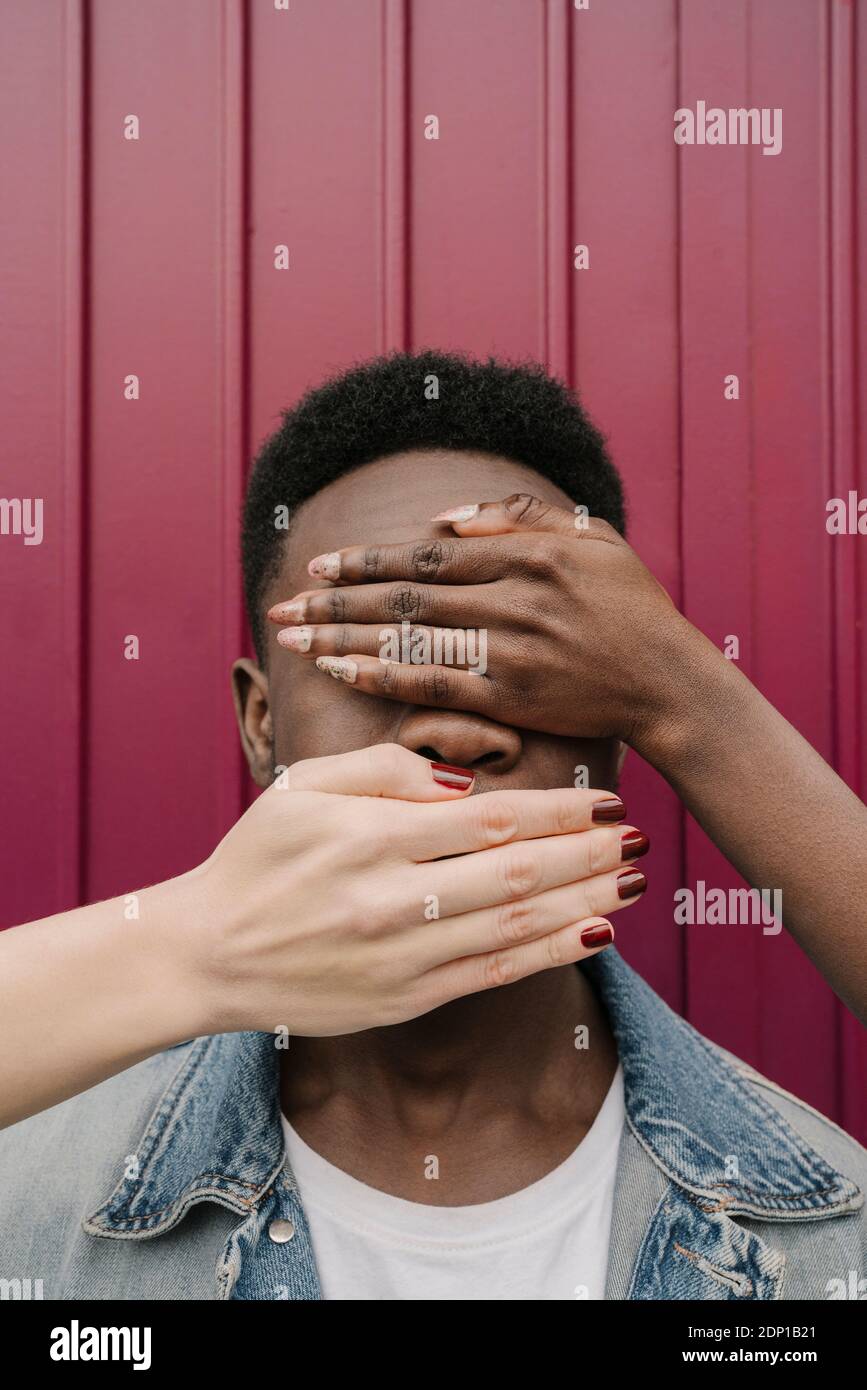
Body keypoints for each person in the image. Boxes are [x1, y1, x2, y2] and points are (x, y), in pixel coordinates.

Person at [0, 350, 864, 1301]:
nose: (452, 728)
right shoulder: (26, 1212)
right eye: (366, 659)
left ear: (624, 730)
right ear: (261, 726)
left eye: (524, 663)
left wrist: (689, 700)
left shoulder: (832, 1251)